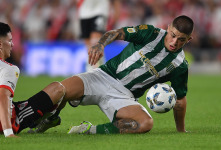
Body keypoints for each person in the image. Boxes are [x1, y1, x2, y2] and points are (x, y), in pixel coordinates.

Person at [29, 15, 194, 134]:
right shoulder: (150, 33)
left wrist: (181, 130)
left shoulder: (179, 65)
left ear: (189, 40)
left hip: (124, 97)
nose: (174, 42)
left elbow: (180, 99)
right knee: (61, 89)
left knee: (145, 123)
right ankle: (50, 118)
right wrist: (100, 45)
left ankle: (89, 130)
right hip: (102, 76)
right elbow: (116, 33)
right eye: (173, 35)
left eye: (181, 39)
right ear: (168, 28)